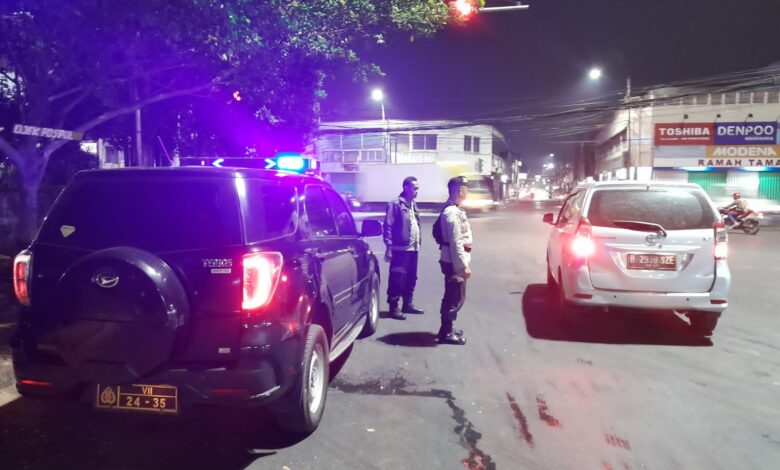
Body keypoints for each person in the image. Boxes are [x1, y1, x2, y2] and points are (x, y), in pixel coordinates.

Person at [436, 176, 473, 345]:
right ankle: (447, 333)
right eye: (466, 188)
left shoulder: (454, 209)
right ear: (460, 190)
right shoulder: (451, 213)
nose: (468, 191)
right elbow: (456, 242)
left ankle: (446, 328)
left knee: (452, 295)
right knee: (454, 297)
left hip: (453, 260)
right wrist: (462, 266)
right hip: (453, 263)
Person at [383, 176, 425, 320]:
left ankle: (408, 304)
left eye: (418, 188)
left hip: (413, 248)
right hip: (399, 249)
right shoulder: (395, 204)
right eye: (414, 188)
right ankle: (393, 307)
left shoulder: (413, 204)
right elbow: (388, 225)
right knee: (397, 278)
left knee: (411, 277)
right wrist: (388, 247)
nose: (417, 191)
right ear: (405, 188)